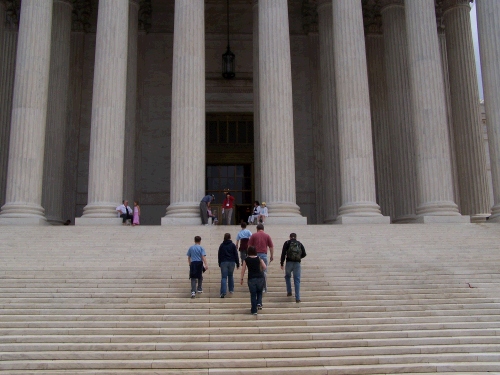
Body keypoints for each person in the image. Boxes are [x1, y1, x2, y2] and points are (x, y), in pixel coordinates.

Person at [280, 233, 307, 303]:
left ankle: (289, 291)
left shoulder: (287, 243)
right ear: (296, 237)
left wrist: (282, 263)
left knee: (287, 276)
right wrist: (298, 257)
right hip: (297, 263)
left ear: (290, 237)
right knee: (297, 280)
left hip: (289, 262)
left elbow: (283, 253)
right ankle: (297, 298)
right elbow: (304, 254)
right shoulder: (299, 244)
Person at [240, 245, 267, 315]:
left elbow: (243, 270)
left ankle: (254, 310)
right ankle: (259, 302)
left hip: (251, 278)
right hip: (260, 277)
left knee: (253, 294)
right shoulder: (259, 258)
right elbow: (264, 267)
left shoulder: (246, 260)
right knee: (259, 292)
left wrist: (241, 278)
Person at [248, 224, 274, 292]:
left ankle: (256, 286)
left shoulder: (253, 235)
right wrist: (271, 255)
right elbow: (271, 246)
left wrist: (249, 255)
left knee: (256, 271)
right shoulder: (267, 236)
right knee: (264, 272)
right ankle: (264, 287)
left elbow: (249, 246)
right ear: (263, 229)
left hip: (255, 256)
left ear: (257, 229)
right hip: (264, 255)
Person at [218, 233, 240, 298]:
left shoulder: (222, 245)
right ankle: (231, 289)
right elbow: (236, 254)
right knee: (230, 275)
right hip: (232, 262)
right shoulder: (232, 245)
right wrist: (237, 263)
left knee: (224, 277)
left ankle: (223, 292)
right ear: (230, 237)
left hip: (224, 262)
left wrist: (219, 263)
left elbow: (219, 255)